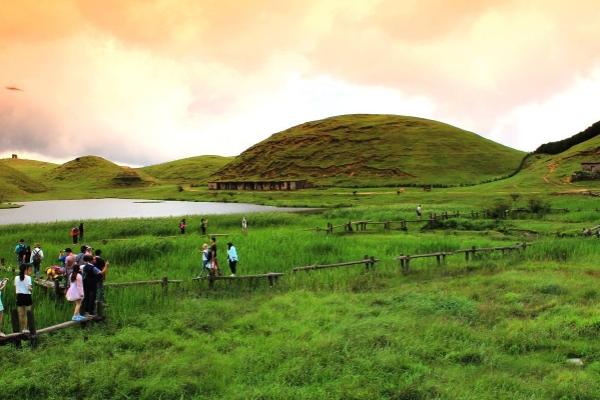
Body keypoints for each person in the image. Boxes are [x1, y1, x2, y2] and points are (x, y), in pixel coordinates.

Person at [15, 263, 33, 332]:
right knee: (26, 314)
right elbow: (30, 289)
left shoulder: (16, 278)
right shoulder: (28, 278)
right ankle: (25, 329)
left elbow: (16, 289)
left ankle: (21, 329)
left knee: (20, 314)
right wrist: (31, 288)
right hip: (27, 297)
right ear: (25, 269)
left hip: (19, 296)